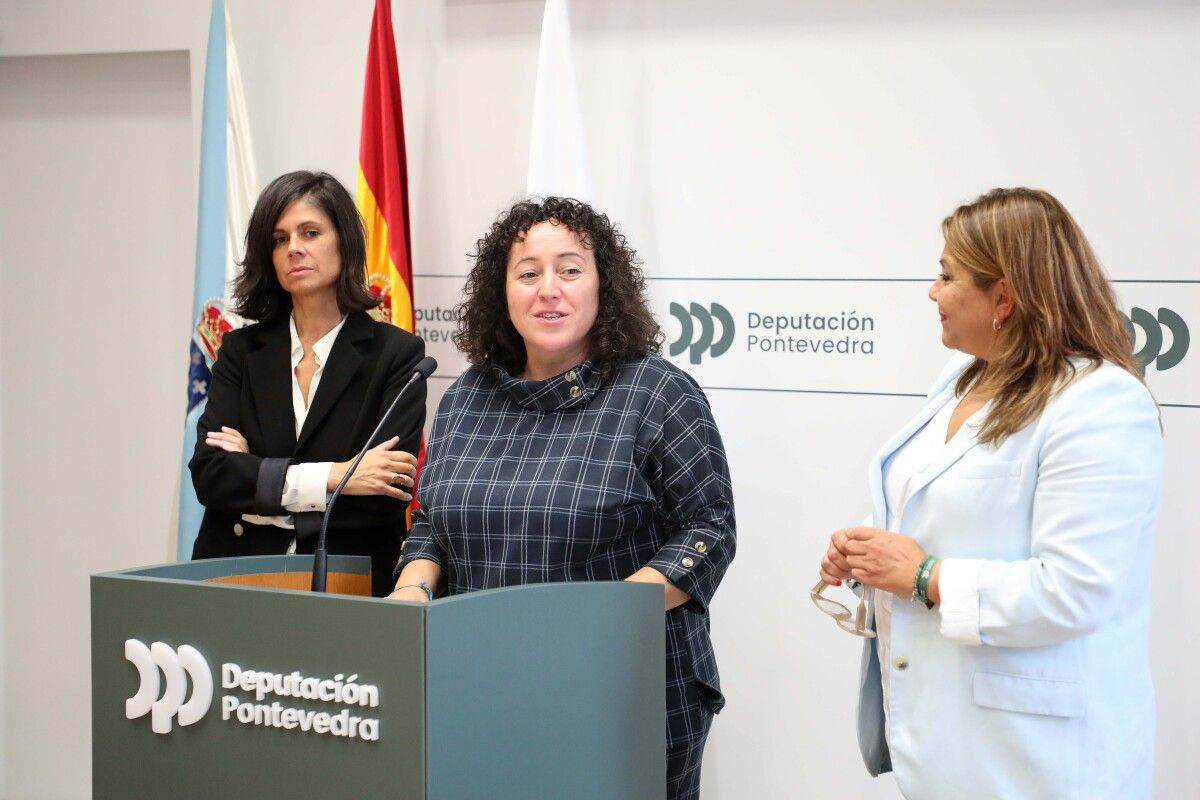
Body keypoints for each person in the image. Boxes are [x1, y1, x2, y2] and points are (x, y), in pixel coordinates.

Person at [818, 187, 1163, 799]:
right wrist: (870, 544)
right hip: (945, 736)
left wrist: (925, 575)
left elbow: (1077, 590)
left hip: (1041, 763)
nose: (933, 292)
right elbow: (945, 504)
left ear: (1002, 295)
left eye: (947, 277)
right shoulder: (962, 377)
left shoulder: (1100, 403)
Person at [389, 197, 735, 799]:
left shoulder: (658, 393)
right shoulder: (467, 396)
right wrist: (412, 586)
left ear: (605, 285)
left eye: (570, 270)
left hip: (620, 694)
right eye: (528, 273)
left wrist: (597, 623)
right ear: (504, 293)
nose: (549, 289)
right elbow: (431, 523)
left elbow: (708, 530)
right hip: (481, 690)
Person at [190, 170, 425, 597]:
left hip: (350, 585)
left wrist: (259, 479)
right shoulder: (241, 351)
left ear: (344, 242)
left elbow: (383, 497)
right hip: (238, 578)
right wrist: (337, 476)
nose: (294, 248)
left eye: (310, 232)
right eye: (279, 239)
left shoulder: (396, 354)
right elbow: (212, 477)